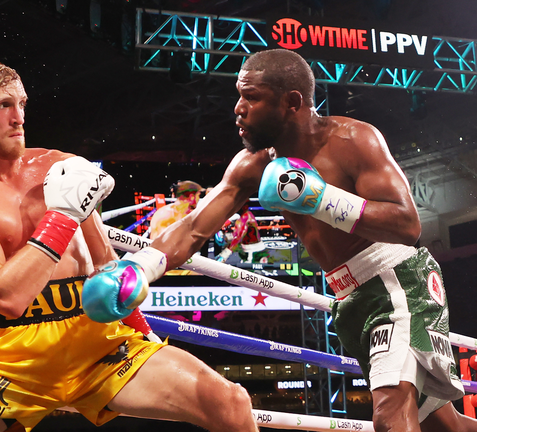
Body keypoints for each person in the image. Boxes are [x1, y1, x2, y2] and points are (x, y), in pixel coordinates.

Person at [82, 49, 476, 432]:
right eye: (239, 96)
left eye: (251, 97)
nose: (238, 108)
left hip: (397, 280)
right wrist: (139, 267)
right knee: (442, 424)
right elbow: (195, 228)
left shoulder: (354, 140)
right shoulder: (253, 165)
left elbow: (407, 224)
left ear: (292, 102)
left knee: (390, 416)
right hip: (350, 298)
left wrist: (322, 199)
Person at [0, 59, 257, 432]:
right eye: (2, 105)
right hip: (17, 356)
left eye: (22, 104)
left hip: (99, 339)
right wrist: (62, 216)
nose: (19, 117)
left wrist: (141, 328)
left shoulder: (60, 166)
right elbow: (6, 296)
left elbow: (106, 263)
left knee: (230, 401)